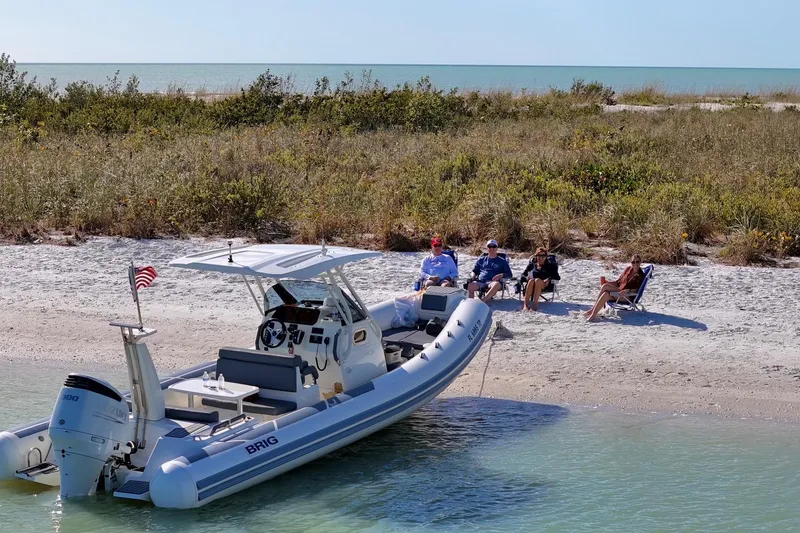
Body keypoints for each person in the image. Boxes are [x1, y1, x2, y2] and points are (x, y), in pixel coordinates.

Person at [584, 254, 646, 321]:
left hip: (628, 296)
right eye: (633, 262)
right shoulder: (628, 269)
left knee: (605, 286)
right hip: (619, 292)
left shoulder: (640, 275)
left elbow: (637, 290)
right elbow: (618, 282)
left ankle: (592, 311)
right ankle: (593, 314)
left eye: (637, 262)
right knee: (606, 293)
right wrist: (608, 283)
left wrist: (627, 291)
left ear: (640, 262)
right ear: (631, 263)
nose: (635, 264)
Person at [520, 247, 560, 311]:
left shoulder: (551, 266)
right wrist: (526, 278)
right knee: (531, 281)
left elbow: (557, 277)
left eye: (543, 256)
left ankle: (534, 305)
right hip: (531, 285)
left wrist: (549, 279)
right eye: (538, 255)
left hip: (545, 285)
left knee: (537, 280)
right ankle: (526, 305)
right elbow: (523, 275)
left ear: (546, 257)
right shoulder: (532, 265)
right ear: (536, 256)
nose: (540, 258)